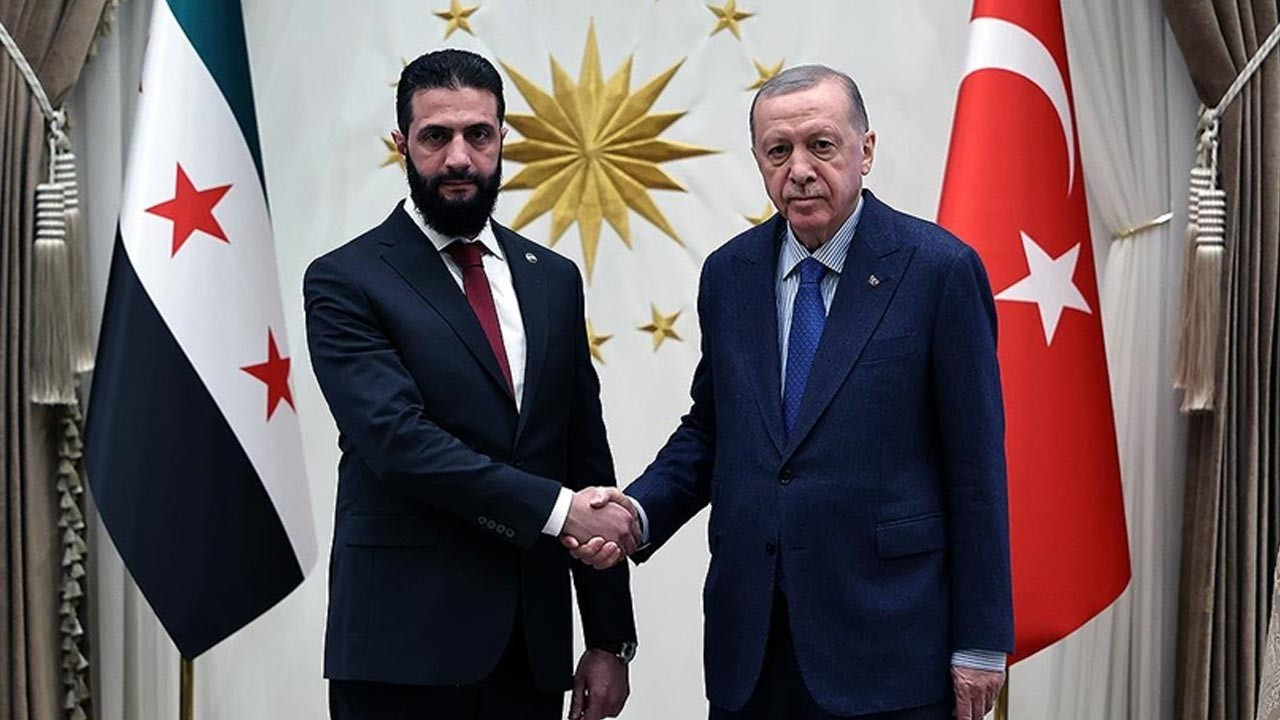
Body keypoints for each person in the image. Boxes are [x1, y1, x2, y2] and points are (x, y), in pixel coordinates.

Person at [567, 65, 1013, 720]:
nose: (799, 170)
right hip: (752, 649)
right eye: (778, 151)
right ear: (758, 160)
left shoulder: (938, 270)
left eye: (821, 145)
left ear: (865, 149)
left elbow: (975, 469)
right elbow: (712, 431)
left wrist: (980, 642)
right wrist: (637, 513)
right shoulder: (730, 274)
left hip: (890, 648)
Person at [305, 49, 640, 720]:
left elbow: (583, 455)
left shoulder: (552, 279)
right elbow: (398, 443)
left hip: (530, 653)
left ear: (502, 139)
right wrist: (558, 510)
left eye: (477, 135)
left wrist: (609, 638)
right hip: (402, 654)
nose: (459, 157)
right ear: (401, 143)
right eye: (436, 136)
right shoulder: (345, 280)